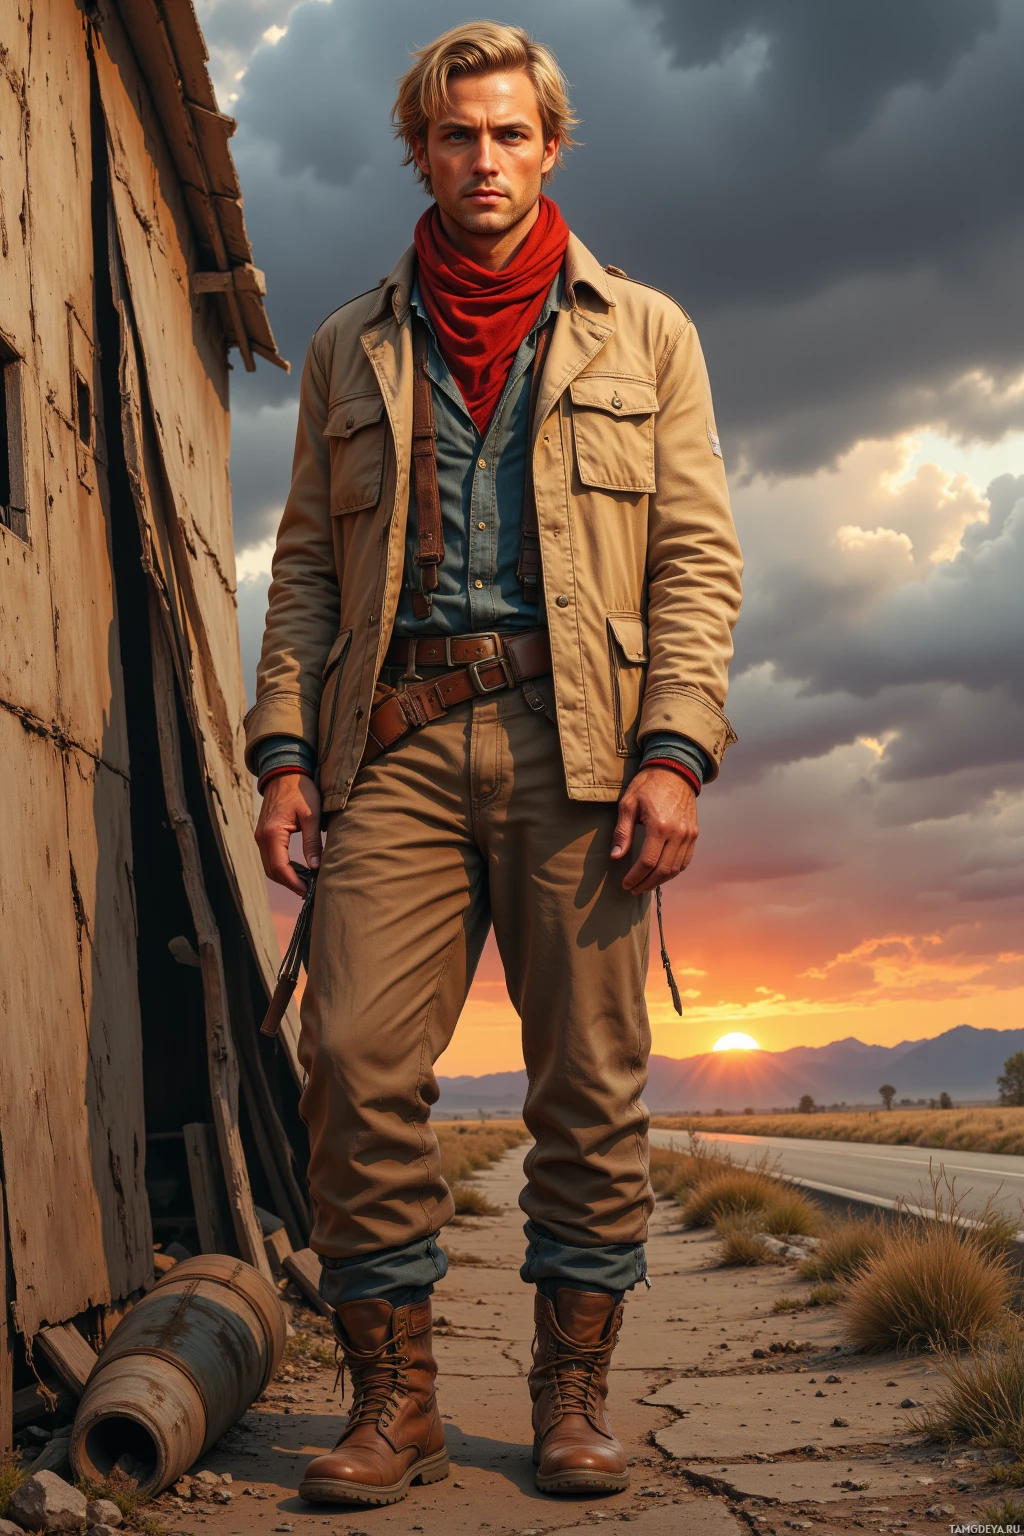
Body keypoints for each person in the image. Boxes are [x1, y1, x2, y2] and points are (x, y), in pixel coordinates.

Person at [246, 20, 742, 1509]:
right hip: (387, 739)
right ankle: (392, 1403)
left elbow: (697, 561)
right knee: (350, 1064)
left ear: (550, 146)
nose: (484, 160)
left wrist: (676, 750)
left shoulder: (644, 333)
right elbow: (304, 577)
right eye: (457, 135)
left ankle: (573, 1397)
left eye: (510, 134)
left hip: (578, 745)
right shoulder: (352, 342)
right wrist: (283, 755)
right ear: (421, 147)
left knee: (589, 1081)